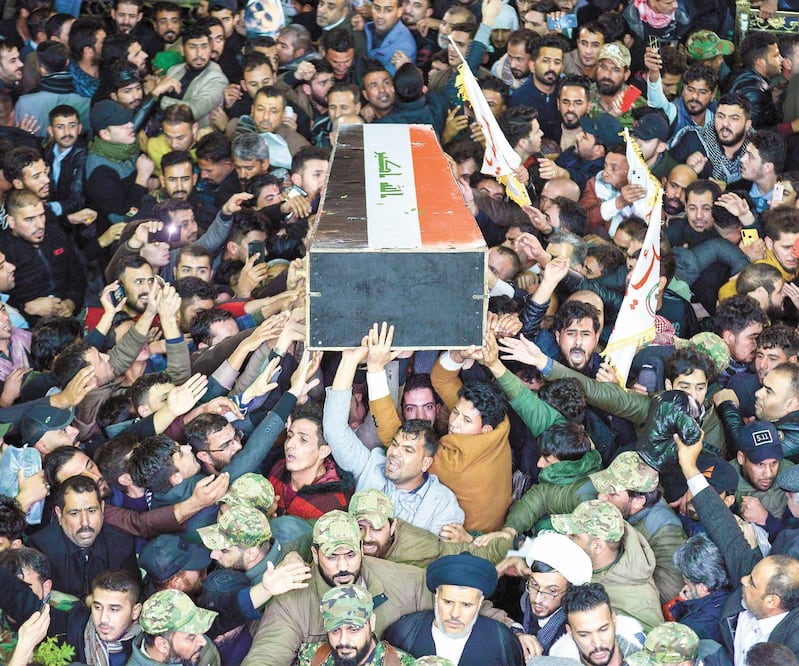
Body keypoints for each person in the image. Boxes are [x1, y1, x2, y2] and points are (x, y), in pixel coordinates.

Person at [242, 510, 433, 665]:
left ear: (361, 548)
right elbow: (265, 658)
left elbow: (453, 602)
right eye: (332, 556)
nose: (343, 567)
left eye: (350, 555)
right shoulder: (292, 600)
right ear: (315, 555)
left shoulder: (404, 581)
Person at [323, 330, 464, 535]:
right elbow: (335, 431)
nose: (395, 452)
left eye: (408, 449)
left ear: (426, 463)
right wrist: (349, 361)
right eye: (395, 444)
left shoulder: (442, 503)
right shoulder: (371, 467)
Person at [675, 430, 799, 662]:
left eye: (751, 582)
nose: (742, 579)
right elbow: (725, 530)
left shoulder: (790, 646)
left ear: (772, 601)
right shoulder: (760, 587)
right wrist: (690, 468)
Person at [383, 552, 525, 664]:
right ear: (436, 596)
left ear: (480, 602)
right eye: (448, 602)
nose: (455, 614)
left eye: (466, 605)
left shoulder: (503, 642)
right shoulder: (403, 633)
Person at [551, 499, 664, 631]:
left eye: (573, 535)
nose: (566, 537)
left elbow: (649, 646)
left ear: (597, 546)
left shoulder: (635, 603)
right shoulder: (589, 561)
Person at [28, 475, 139, 599]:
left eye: (91, 511)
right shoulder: (40, 548)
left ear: (102, 509)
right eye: (74, 513)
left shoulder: (122, 544)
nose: (85, 523)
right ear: (59, 514)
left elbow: (134, 596)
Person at [497, 531, 593, 655]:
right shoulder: (523, 600)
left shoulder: (573, 637)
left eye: (551, 591)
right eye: (534, 585)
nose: (538, 599)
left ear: (569, 592)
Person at [298, 585, 416, 665]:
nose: (343, 640)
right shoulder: (311, 656)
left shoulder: (402, 663)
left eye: (353, 629)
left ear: (372, 623)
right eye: (335, 630)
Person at [551, 582, 646, 664]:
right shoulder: (561, 660)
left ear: (614, 619)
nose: (597, 644)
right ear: (570, 631)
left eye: (603, 630)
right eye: (584, 635)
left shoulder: (641, 645)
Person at [128, 589, 221, 665]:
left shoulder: (202, 649)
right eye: (191, 637)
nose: (203, 641)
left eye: (198, 629)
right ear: (162, 645)